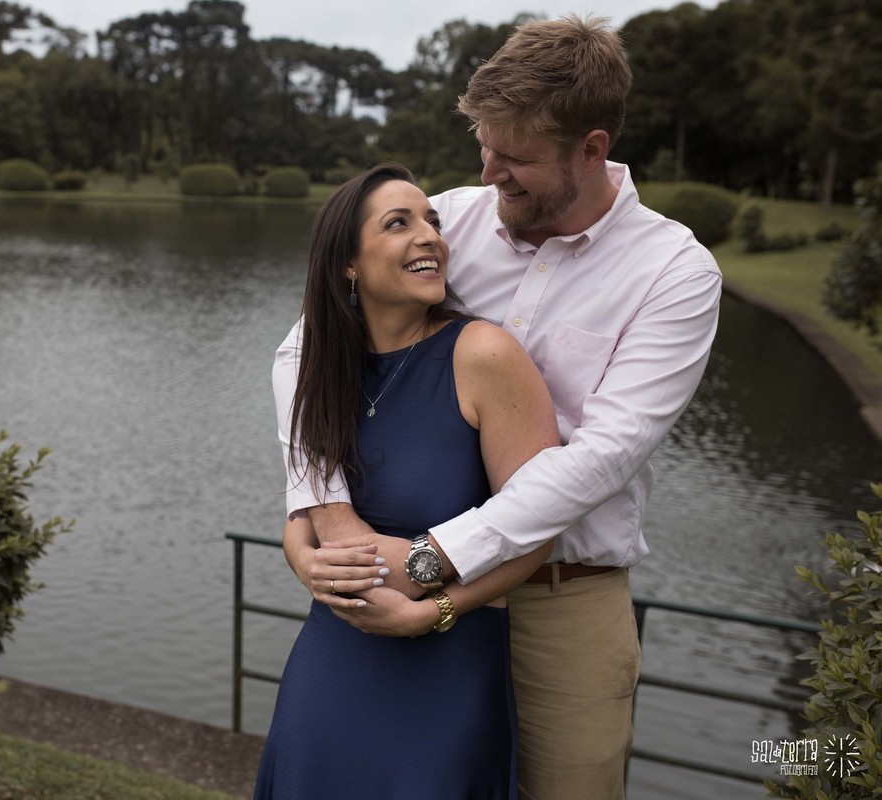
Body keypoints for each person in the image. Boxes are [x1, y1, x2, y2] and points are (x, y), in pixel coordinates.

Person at [272, 15, 723, 800]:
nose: (491, 174)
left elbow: (602, 458)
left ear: (592, 147)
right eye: (486, 145)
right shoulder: (449, 223)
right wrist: (324, 514)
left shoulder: (674, 273)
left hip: (561, 604)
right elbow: (304, 352)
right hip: (397, 590)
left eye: (516, 158)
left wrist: (432, 563)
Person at [253, 163, 560, 799]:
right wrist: (302, 557)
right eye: (399, 224)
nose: (430, 237)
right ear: (349, 265)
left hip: (450, 660)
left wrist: (438, 610)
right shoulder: (315, 366)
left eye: (433, 221)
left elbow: (536, 534)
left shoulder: (484, 355)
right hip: (334, 658)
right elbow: (306, 511)